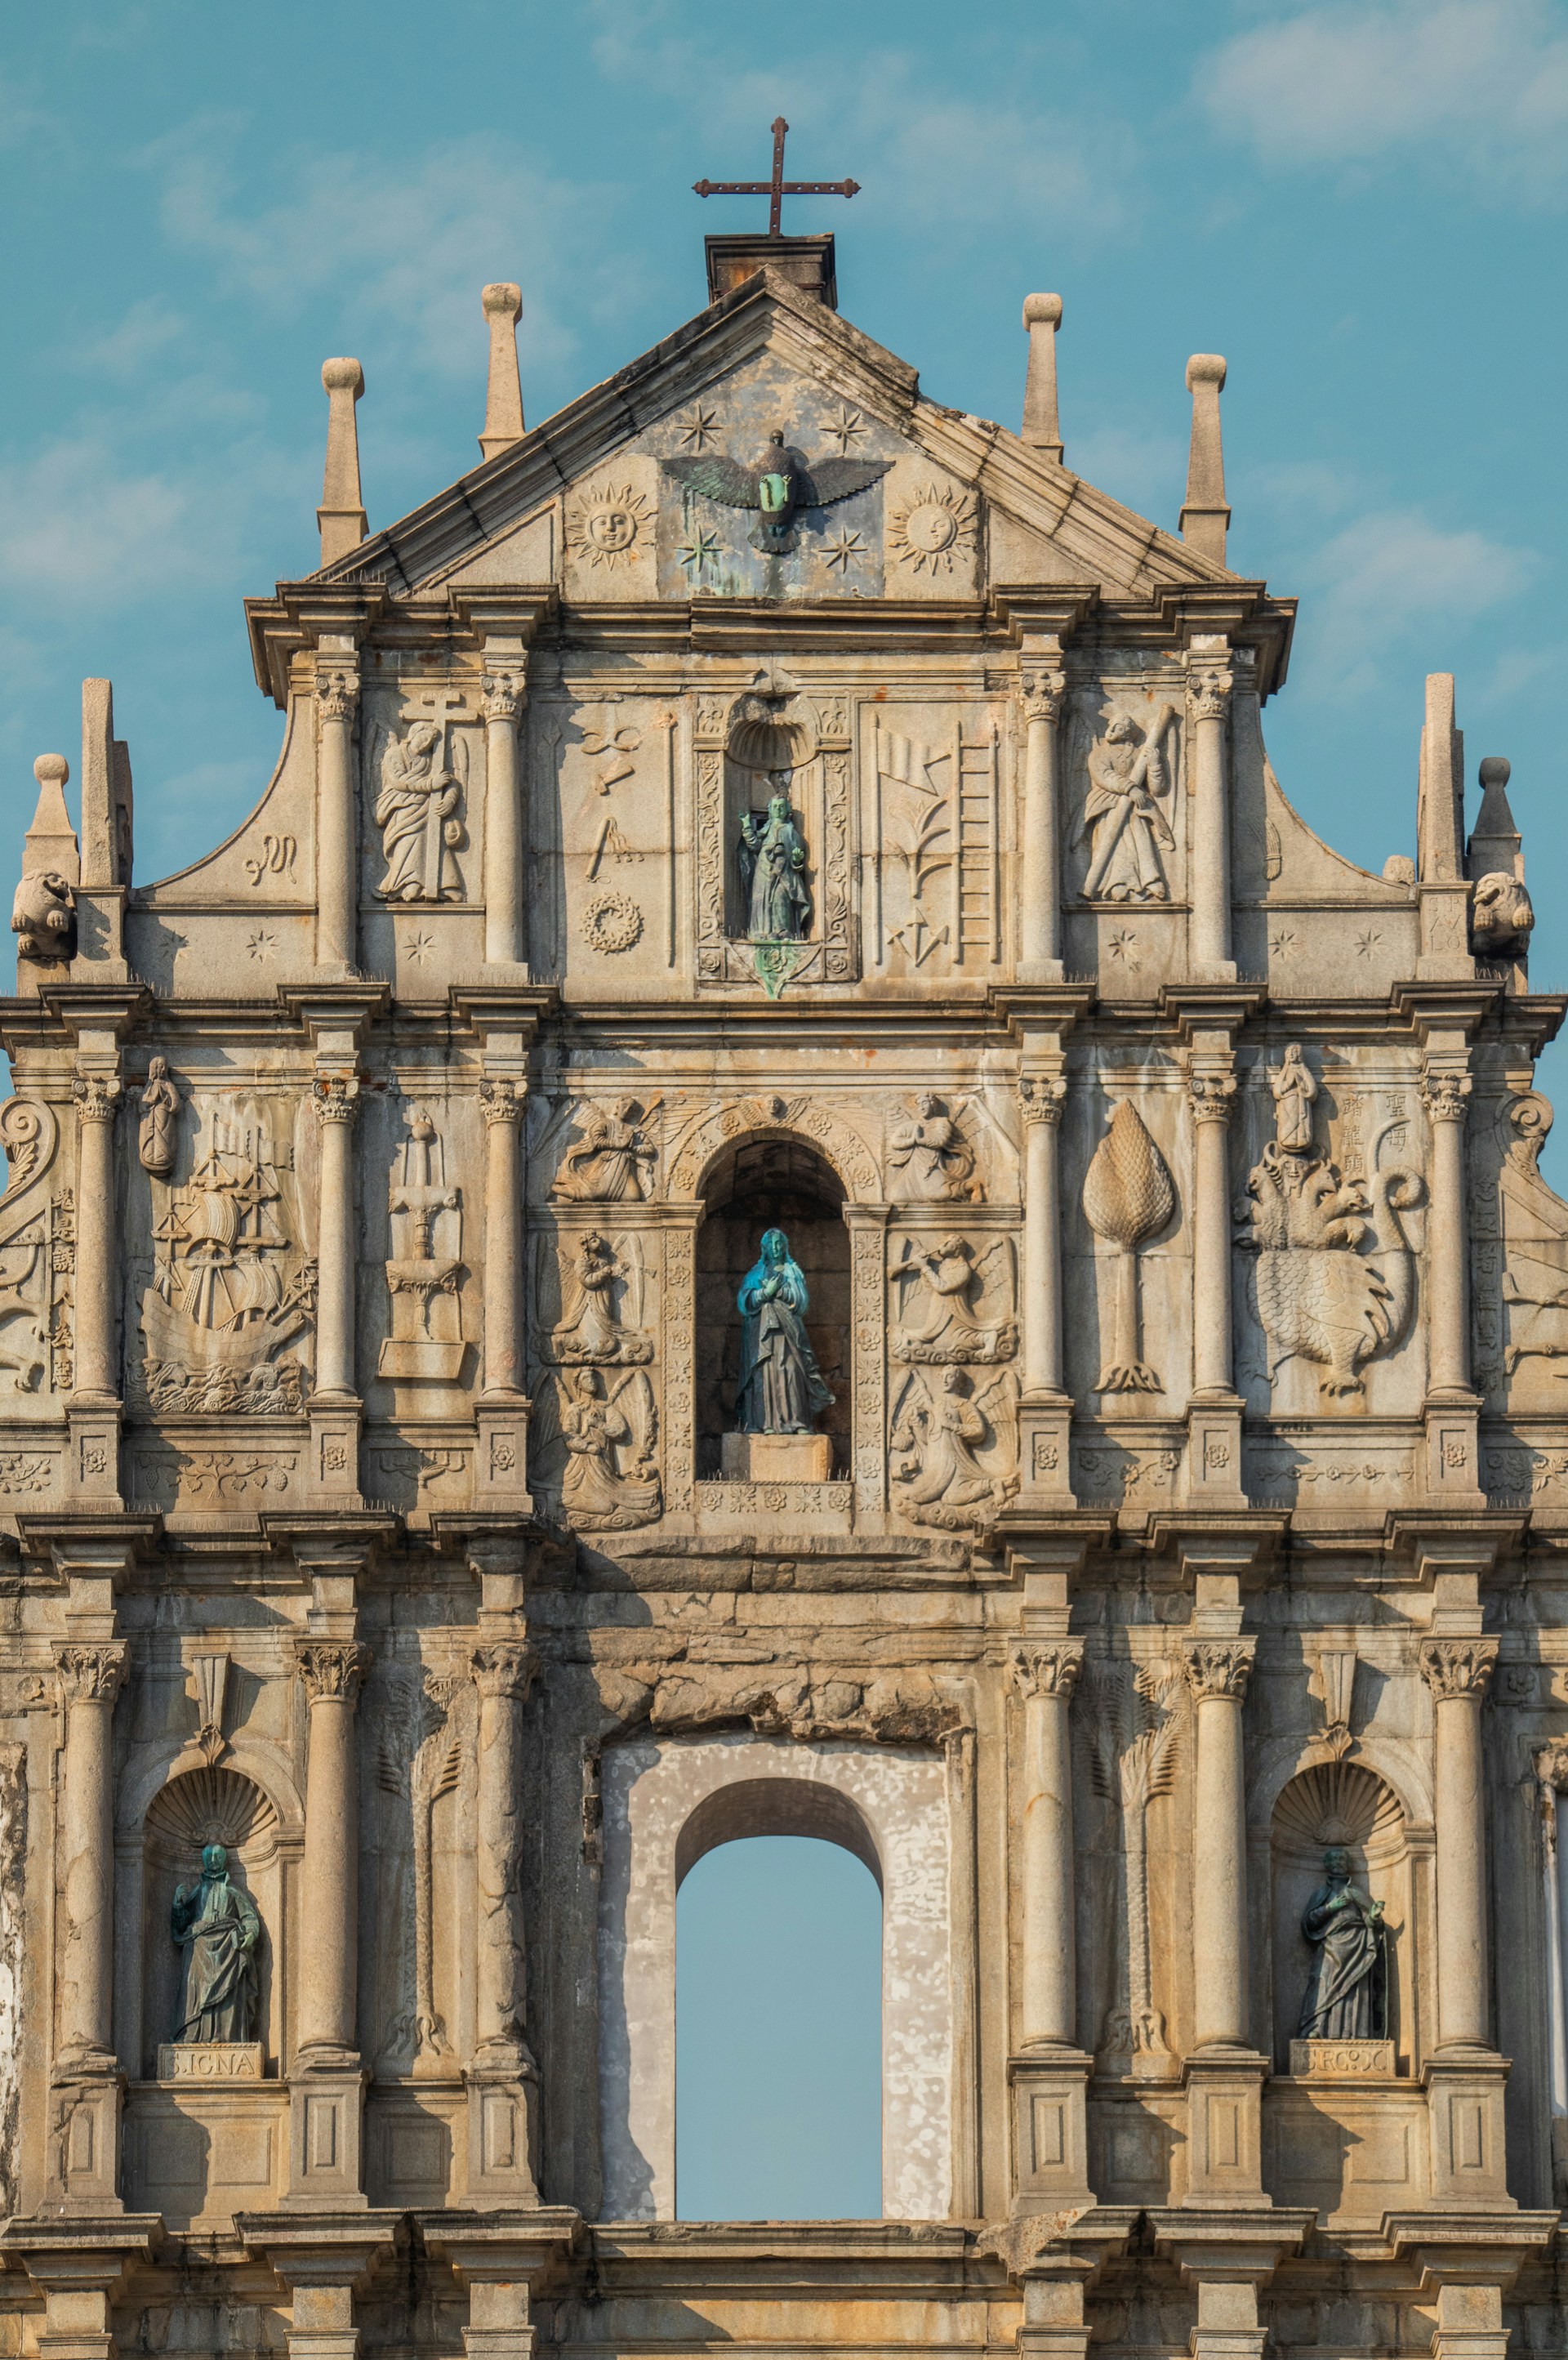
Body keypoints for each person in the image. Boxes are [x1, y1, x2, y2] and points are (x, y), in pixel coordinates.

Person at [735, 1227, 833, 1434]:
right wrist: (763, 1293)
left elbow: (802, 1302)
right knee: (763, 1375)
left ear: (785, 1246)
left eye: (780, 1243)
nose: (776, 1247)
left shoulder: (792, 1272)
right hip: (761, 1333)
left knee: (790, 1371)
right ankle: (764, 1423)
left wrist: (779, 1291)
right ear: (765, 1248)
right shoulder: (755, 1274)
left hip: (789, 1333)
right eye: (771, 1244)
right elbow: (744, 1302)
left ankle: (796, 1422)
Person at [1079, 708, 1177, 902]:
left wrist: (1155, 764)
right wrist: (1129, 787)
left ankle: (1150, 881)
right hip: (1107, 804)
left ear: (1127, 733)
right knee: (1113, 843)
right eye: (1111, 725)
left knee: (1141, 842)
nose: (1111, 729)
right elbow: (1103, 775)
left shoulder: (1140, 754)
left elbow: (1158, 789)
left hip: (1136, 806)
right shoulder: (1100, 753)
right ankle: (1116, 884)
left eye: (1119, 727)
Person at [171, 1842, 261, 2044]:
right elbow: (182, 1921)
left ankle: (226, 2036)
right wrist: (178, 1904)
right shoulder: (196, 1892)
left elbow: (249, 1916)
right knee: (196, 1992)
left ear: (224, 1861)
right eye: (210, 1857)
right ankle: (194, 2036)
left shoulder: (232, 1891)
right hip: (199, 1946)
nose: (213, 1861)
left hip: (227, 1948)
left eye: (217, 1857)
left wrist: (250, 1934)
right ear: (204, 1860)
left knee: (228, 1991)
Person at [1298, 1845, 1385, 2041]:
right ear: (1327, 1864)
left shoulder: (1356, 1893)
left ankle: (1352, 2032)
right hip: (1330, 1945)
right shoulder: (1321, 1894)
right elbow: (1309, 1921)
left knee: (1353, 1987)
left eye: (1341, 1860)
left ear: (1347, 1865)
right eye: (1334, 1860)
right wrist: (1329, 1908)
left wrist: (1374, 1916)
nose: (1338, 1863)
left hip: (1356, 1944)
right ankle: (1318, 2028)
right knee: (1322, 1984)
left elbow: (1371, 1921)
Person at [375, 721, 464, 901]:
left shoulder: (430, 760)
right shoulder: (394, 754)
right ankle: (407, 882)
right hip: (401, 806)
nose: (425, 744)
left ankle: (445, 884)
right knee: (409, 840)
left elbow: (450, 782)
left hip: (428, 808)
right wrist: (431, 784)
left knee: (436, 837)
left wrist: (449, 800)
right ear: (413, 734)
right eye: (423, 738)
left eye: (429, 743)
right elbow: (399, 780)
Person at [737, 792, 811, 940]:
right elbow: (754, 845)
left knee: (780, 898)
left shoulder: (792, 833)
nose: (778, 809)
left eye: (782, 806)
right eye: (775, 807)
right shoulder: (765, 829)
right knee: (762, 899)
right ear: (770, 810)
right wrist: (746, 825)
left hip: (784, 872)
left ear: (787, 810)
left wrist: (796, 860)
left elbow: (798, 859)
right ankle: (761, 932)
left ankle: (783, 931)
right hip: (764, 870)